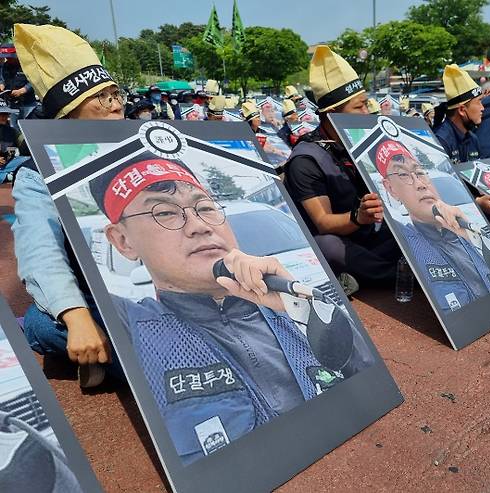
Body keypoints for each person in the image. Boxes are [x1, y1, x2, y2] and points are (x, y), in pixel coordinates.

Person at [87, 153, 373, 464]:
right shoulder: (131, 326)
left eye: (206, 208)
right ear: (123, 241)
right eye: (164, 213)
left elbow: (369, 378)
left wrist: (304, 307)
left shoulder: (290, 300)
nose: (198, 226)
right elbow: (44, 314)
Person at [11, 23, 125, 387]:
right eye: (103, 97)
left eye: (116, 92)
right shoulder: (36, 172)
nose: (117, 104)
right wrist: (76, 318)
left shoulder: (147, 145)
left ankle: (119, 361)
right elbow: (39, 248)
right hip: (99, 300)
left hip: (170, 293)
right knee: (41, 324)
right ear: (68, 113)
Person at [284, 45, 401, 293]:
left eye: (366, 105)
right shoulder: (305, 159)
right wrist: (358, 217)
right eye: (359, 107)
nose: (367, 113)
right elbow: (324, 222)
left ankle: (378, 273)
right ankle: (398, 275)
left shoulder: (360, 144)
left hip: (369, 236)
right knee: (327, 246)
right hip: (338, 240)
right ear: (332, 113)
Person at [374, 139, 490, 311]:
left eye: (420, 172)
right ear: (391, 189)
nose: (420, 184)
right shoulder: (404, 240)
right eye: (402, 174)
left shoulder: (467, 226)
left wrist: (469, 232)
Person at [433, 64, 490, 237]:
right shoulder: (441, 140)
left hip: (471, 200)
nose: (483, 108)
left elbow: (477, 174)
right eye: (479, 102)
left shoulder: (472, 138)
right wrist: (478, 203)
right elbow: (439, 192)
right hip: (449, 207)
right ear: (462, 110)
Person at [0, 43, 37, 123]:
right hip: (12, 105)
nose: (8, 59)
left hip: (28, 104)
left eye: (10, 57)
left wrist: (22, 90)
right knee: (14, 128)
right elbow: (2, 79)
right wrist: (2, 85)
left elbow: (34, 81)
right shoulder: (5, 66)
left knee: (29, 128)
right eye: (6, 57)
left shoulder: (26, 65)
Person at [0, 99, 19, 168]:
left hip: (7, 166)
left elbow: (11, 152)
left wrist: (6, 159)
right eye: (1, 114)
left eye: (6, 114)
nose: (5, 117)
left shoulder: (11, 132)